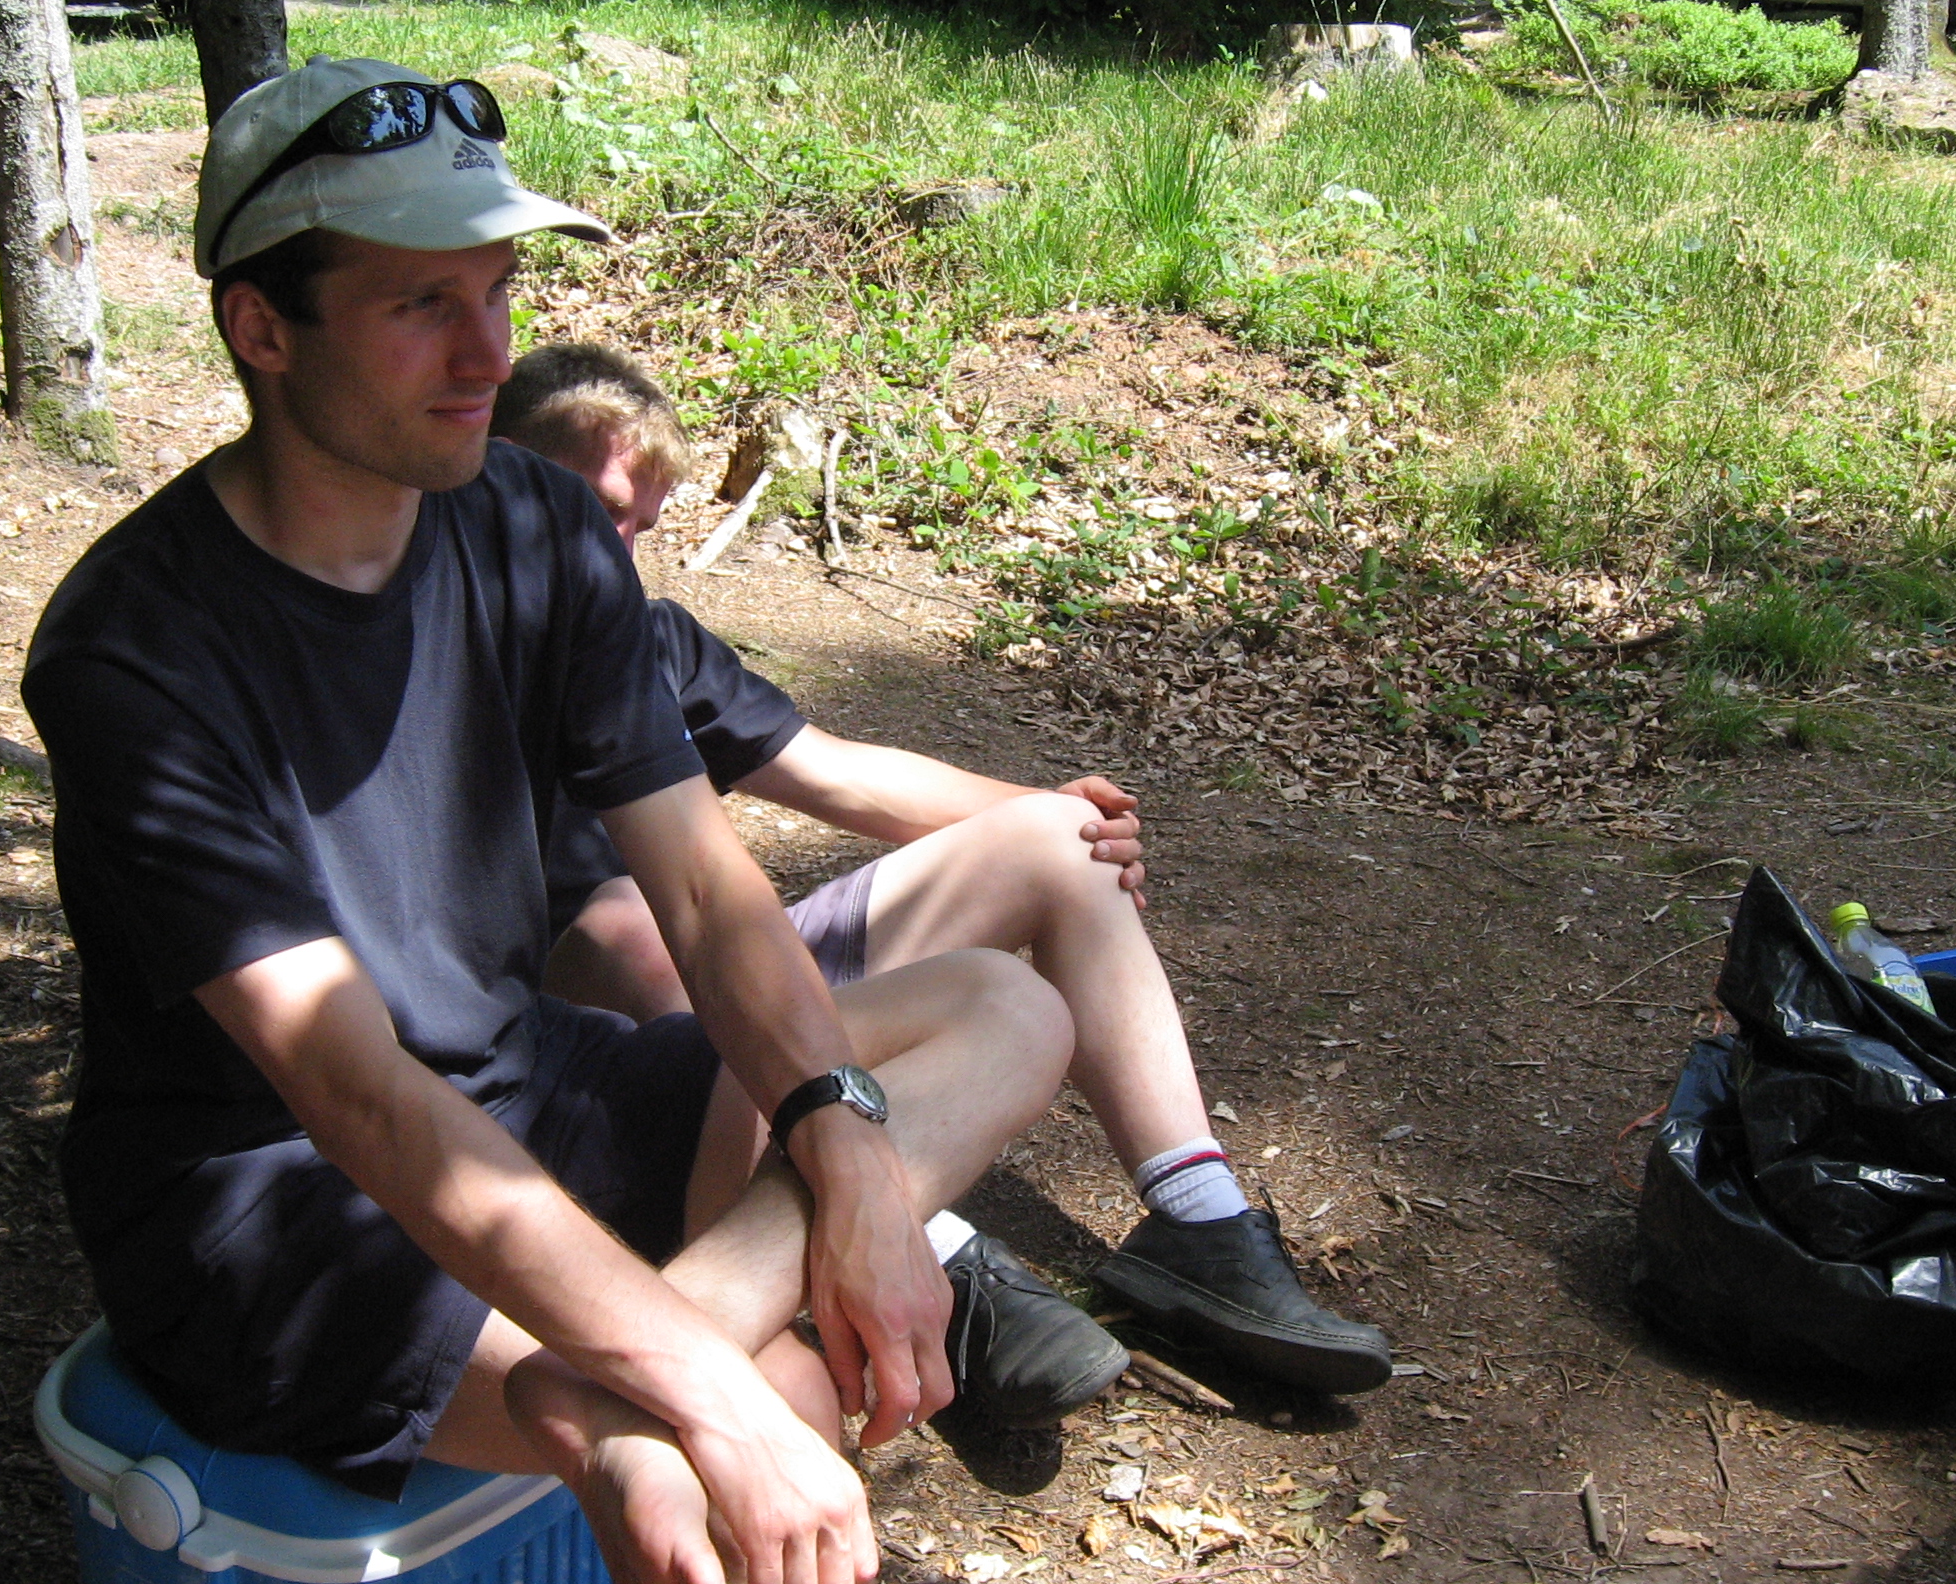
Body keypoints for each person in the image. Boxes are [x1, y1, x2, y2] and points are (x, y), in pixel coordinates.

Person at [21, 58, 1081, 1584]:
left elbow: (708, 898)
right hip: (273, 1207)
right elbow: (358, 1095)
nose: (488, 353)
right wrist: (724, 1392)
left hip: (534, 1087)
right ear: (261, 328)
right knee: (774, 1413)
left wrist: (846, 1159)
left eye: (498, 290)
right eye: (420, 305)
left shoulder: (530, 525)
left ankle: (614, 1394)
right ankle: (665, 1393)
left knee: (1004, 1008)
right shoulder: (135, 654)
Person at [493, 343, 1393, 1408]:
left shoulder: (650, 643)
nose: (622, 552)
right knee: (624, 923)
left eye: (643, 526)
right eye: (604, 513)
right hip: (600, 1028)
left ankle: (1200, 1227)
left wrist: (1054, 808)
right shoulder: (438, 647)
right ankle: (935, 1255)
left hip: (745, 997)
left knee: (1059, 844)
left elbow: (837, 775)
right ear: (496, 474)